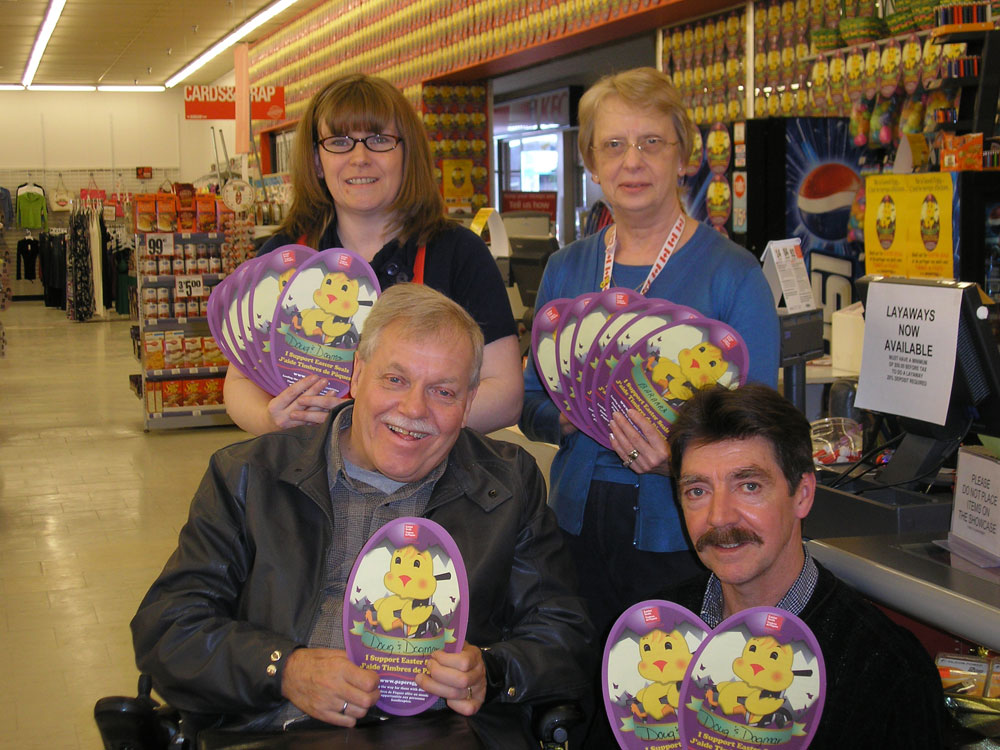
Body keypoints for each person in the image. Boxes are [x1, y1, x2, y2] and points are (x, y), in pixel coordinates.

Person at [132, 284, 594, 746]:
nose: (414, 409)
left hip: (439, 733)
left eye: (443, 391)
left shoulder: (507, 485)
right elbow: (168, 627)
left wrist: (491, 671)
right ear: (357, 375)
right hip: (276, 729)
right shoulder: (249, 476)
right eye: (394, 379)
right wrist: (284, 669)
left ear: (469, 401)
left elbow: (565, 634)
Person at [519, 67, 779, 638]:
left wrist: (681, 459)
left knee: (669, 681)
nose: (631, 162)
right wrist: (565, 418)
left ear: (682, 156)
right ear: (591, 163)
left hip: (683, 534)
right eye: (613, 145)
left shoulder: (733, 275)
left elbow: (763, 430)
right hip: (574, 529)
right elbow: (529, 399)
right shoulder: (566, 268)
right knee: (580, 673)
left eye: (651, 142)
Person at [225, 73, 521, 436]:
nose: (360, 158)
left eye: (379, 140)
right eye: (339, 142)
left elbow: (505, 393)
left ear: (407, 153)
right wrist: (269, 419)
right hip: (306, 464)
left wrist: (393, 425)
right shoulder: (283, 259)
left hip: (429, 468)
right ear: (317, 160)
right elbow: (239, 381)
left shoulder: (459, 253)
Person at [661, 383, 949, 748]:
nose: (719, 517)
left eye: (749, 486)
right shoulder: (651, 635)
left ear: (803, 495)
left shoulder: (886, 672)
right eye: (698, 491)